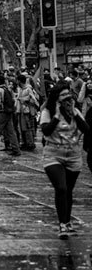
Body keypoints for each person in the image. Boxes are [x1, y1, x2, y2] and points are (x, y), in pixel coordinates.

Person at [40, 83, 89, 239]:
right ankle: (62, 224)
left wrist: (73, 113)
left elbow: (86, 129)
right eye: (63, 95)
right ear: (56, 98)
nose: (67, 98)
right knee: (61, 188)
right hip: (53, 155)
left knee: (68, 190)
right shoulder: (48, 111)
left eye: (69, 95)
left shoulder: (74, 111)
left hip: (74, 156)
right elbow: (46, 130)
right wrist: (57, 115)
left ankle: (67, 222)